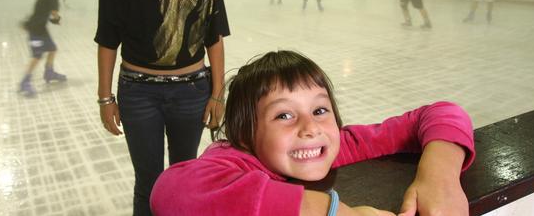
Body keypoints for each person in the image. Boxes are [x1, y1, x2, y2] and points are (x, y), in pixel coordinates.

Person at [150, 50, 475, 216]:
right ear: (246, 134)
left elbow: (442, 112)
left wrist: (439, 177)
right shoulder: (234, 159)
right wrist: (330, 211)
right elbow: (171, 191)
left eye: (320, 110)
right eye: (284, 115)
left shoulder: (340, 144)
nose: (310, 128)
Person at [95, 0, 230, 216]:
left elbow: (213, 34)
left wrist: (217, 93)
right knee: (149, 182)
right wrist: (105, 97)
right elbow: (108, 37)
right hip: (138, 94)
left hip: (191, 93)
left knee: (184, 178)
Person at [19, 0, 67, 95]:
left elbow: (44, 12)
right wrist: (57, 20)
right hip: (35, 29)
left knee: (52, 49)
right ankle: (25, 82)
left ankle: (49, 73)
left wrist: (54, 20)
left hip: (40, 28)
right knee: (37, 55)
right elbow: (54, 13)